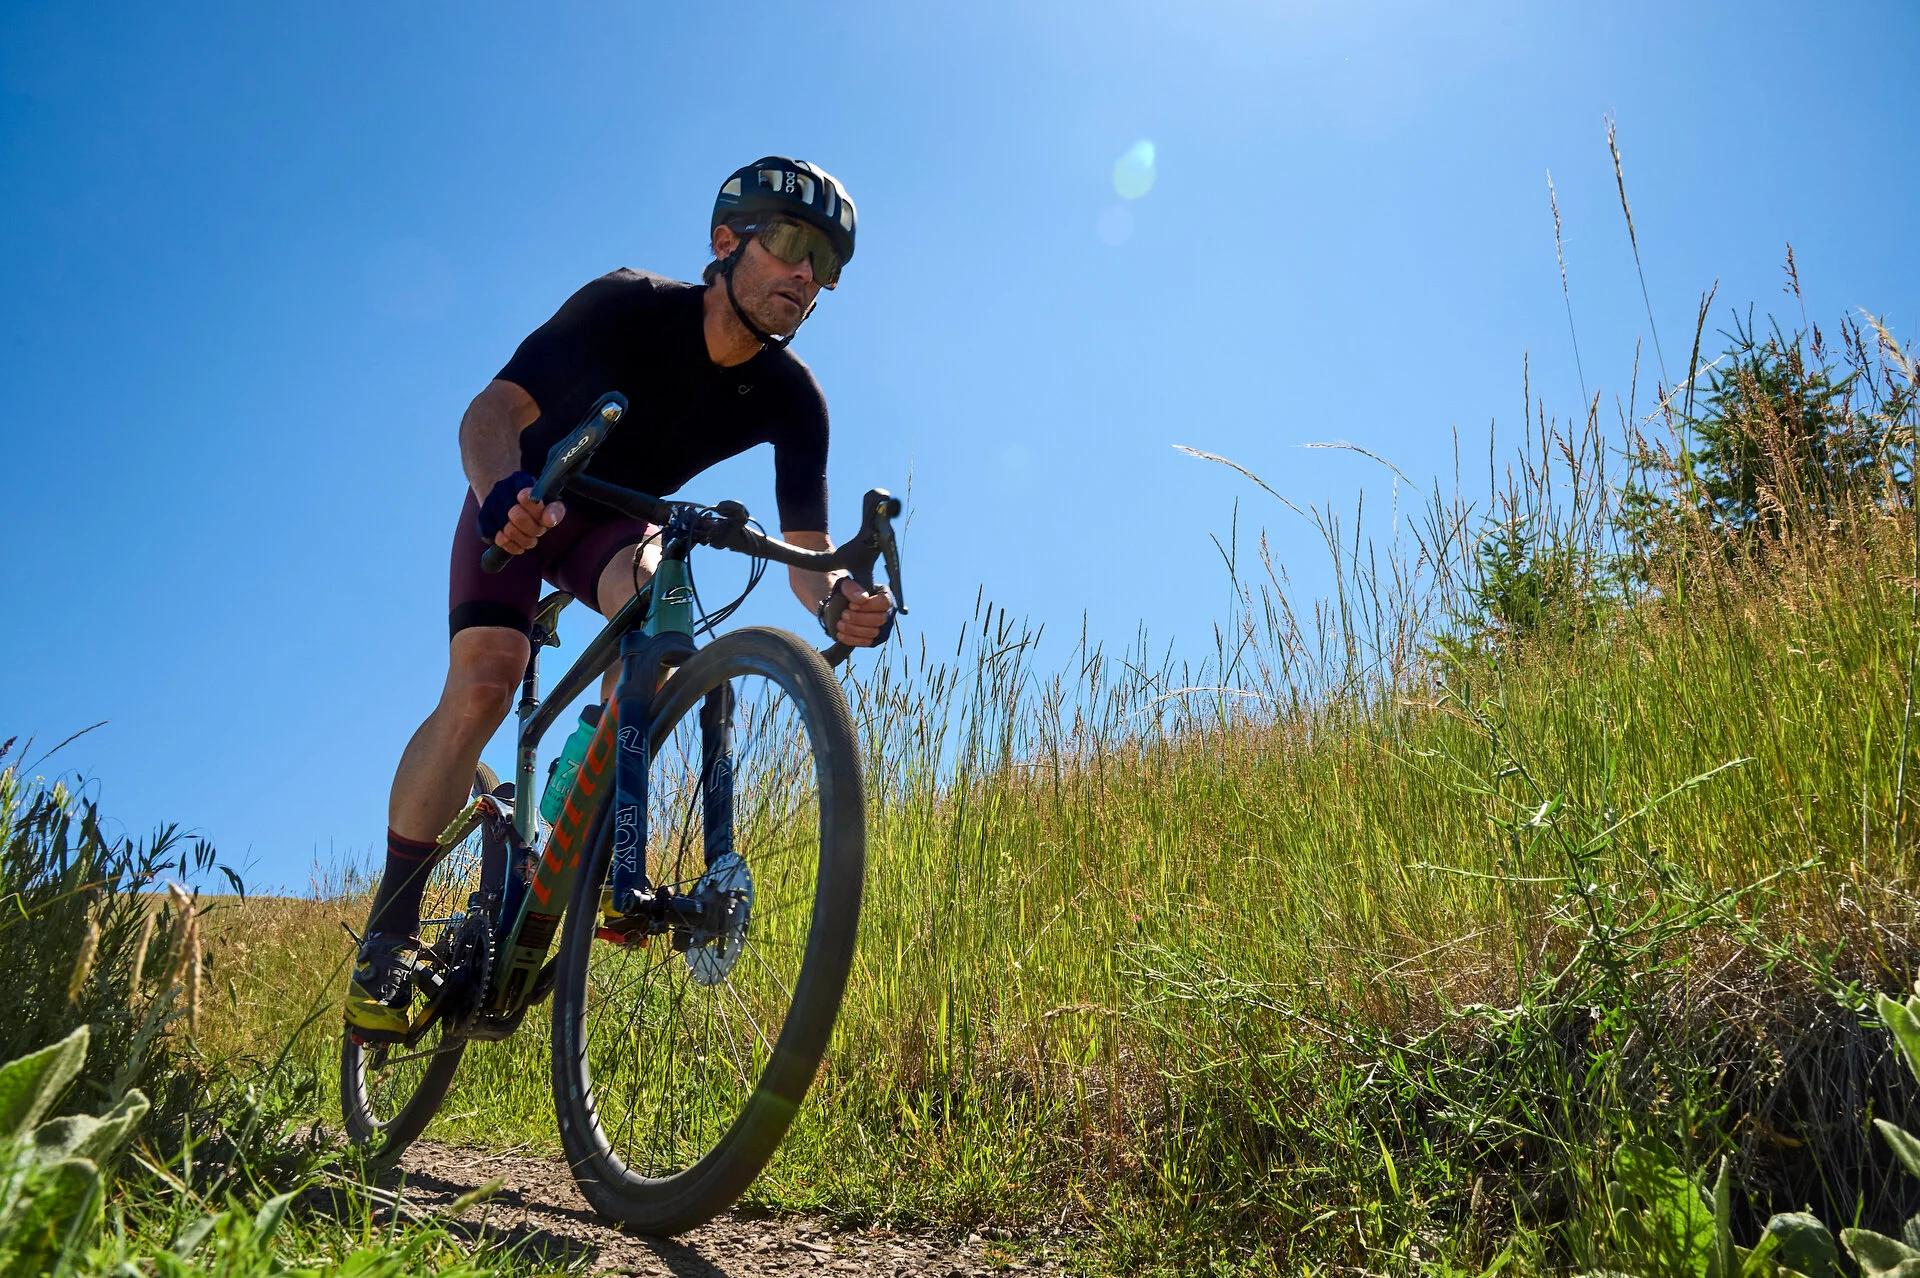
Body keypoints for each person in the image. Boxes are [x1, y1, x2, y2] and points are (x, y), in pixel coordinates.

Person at [345, 157, 894, 1044]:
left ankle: (580, 829)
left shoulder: (795, 400)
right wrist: (500, 498)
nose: (806, 275)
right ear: (727, 243)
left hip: (617, 529)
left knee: (662, 609)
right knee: (489, 678)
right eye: (791, 245)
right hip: (526, 500)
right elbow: (487, 414)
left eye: (825, 266)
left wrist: (835, 604)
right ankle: (389, 931)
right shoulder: (628, 304)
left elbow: (806, 555)